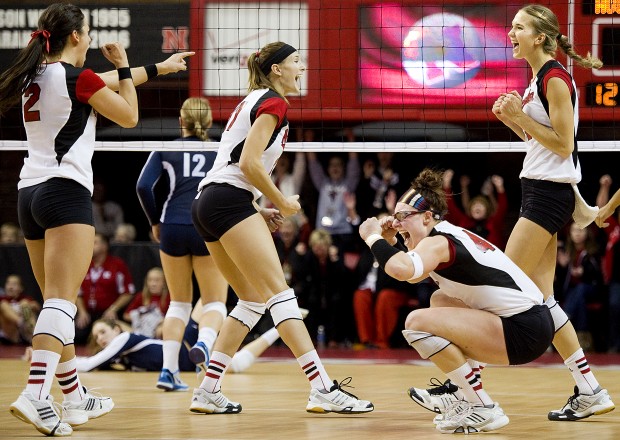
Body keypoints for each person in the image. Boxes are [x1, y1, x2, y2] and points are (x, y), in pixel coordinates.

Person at [0, 3, 192, 435]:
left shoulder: (38, 76)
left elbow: (99, 85)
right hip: (65, 192)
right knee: (61, 303)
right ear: (74, 37)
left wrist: (158, 68)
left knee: (55, 302)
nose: (89, 39)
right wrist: (123, 65)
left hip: (28, 194)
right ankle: (34, 395)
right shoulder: (76, 78)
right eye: (86, 32)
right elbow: (129, 114)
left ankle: (73, 400)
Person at [190, 41, 373, 415]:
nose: (301, 68)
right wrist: (281, 201)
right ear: (276, 69)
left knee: (252, 300)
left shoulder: (254, 99)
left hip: (209, 202)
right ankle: (322, 387)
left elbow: (234, 165)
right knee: (280, 295)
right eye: (295, 62)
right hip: (227, 200)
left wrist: (257, 208)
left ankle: (208, 389)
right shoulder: (274, 102)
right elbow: (248, 163)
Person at [359, 168, 555, 434]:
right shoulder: (445, 235)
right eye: (395, 217)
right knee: (440, 299)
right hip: (531, 323)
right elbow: (413, 276)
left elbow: (401, 270)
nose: (396, 222)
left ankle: (481, 405)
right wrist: (393, 241)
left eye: (403, 216)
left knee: (415, 322)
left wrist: (371, 236)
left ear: (427, 217)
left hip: (523, 329)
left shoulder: (439, 242)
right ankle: (459, 394)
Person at [491, 4, 614, 421]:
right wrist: (514, 120)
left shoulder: (556, 78)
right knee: (543, 299)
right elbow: (538, 142)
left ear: (539, 37)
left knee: (496, 286)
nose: (511, 33)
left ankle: (464, 393)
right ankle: (590, 389)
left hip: (546, 196)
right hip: (539, 190)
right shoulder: (537, 79)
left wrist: (518, 114)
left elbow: (563, 145)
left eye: (519, 27)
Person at [136, 96, 229, 392]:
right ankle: (204, 342)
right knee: (214, 301)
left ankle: (168, 371)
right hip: (206, 223)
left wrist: (154, 221)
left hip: (172, 226)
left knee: (178, 302)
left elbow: (142, 186)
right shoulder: (221, 149)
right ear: (209, 121)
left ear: (181, 121)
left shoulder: (167, 146)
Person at [69, 300, 305, 373]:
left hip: (186, 349)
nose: (100, 338)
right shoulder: (116, 355)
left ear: (117, 329)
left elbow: (89, 364)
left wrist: (58, 361)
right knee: (235, 365)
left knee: (210, 300)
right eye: (96, 335)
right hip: (187, 360)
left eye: (103, 332)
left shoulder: (122, 340)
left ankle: (229, 268)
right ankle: (280, 326)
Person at [75, 233, 136, 344]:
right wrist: (82, 312)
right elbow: (78, 293)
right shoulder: (83, 264)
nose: (90, 245)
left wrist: (113, 309)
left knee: (109, 336)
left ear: (105, 246)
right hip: (88, 313)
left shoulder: (117, 264)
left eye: (95, 242)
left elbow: (128, 292)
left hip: (107, 313)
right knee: (76, 336)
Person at [122, 266, 170, 338]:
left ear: (164, 282)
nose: (153, 284)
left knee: (162, 329)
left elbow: (173, 317)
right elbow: (126, 315)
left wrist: (157, 320)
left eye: (157, 280)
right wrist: (142, 317)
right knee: (116, 325)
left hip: (158, 330)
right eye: (150, 280)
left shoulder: (168, 297)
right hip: (139, 328)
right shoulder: (141, 296)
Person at [0, 274, 40, 344]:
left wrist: (27, 306)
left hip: (26, 333)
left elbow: (37, 307)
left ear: (21, 288)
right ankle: (21, 323)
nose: (10, 287)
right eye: (8, 283)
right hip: (10, 334)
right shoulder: (3, 300)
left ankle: (33, 335)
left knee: (25, 304)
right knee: (3, 305)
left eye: (14, 284)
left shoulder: (25, 299)